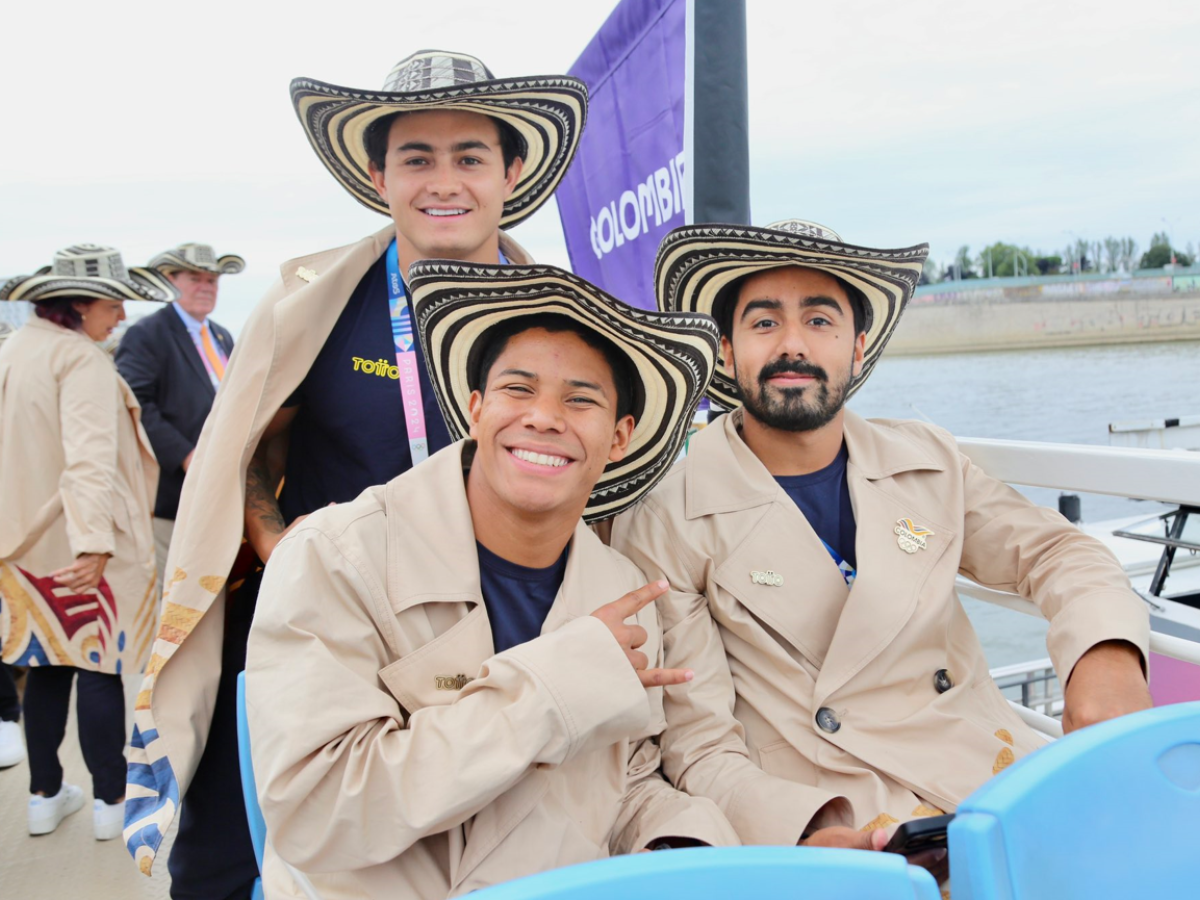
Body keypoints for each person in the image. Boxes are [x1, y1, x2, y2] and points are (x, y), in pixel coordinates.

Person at [124, 50, 589, 899]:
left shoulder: (558, 316)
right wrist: (275, 537)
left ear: (511, 172)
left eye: (470, 156)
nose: (442, 181)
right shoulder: (316, 304)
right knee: (234, 862)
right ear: (379, 174)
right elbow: (252, 454)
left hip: (494, 645)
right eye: (416, 157)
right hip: (319, 644)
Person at [613, 219, 1152, 867]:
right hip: (842, 822)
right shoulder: (669, 509)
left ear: (858, 348)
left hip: (999, 781)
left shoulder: (926, 459)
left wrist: (1106, 657)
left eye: (820, 321)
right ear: (726, 353)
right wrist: (803, 833)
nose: (792, 346)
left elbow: (1057, 554)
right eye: (763, 323)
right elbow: (699, 745)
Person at [247, 259, 735, 898]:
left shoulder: (625, 593)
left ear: (619, 438)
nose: (543, 417)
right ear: (475, 408)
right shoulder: (334, 557)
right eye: (518, 389)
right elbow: (320, 812)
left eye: (580, 399)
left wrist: (688, 847)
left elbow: (623, 786)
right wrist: (552, 687)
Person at [0, 245, 170, 839]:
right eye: (113, 300)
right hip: (79, 536)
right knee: (100, 666)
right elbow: (90, 461)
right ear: (78, 303)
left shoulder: (16, 349)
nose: (121, 315)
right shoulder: (82, 362)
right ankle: (109, 802)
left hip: (23, 541)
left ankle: (43, 795)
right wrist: (94, 544)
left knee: (44, 665)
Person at [116, 243, 241, 586]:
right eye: (195, 278)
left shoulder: (221, 336)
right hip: (171, 496)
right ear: (169, 281)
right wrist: (186, 456)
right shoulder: (147, 334)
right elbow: (135, 404)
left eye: (212, 280)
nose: (206, 287)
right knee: (171, 593)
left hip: (217, 492)